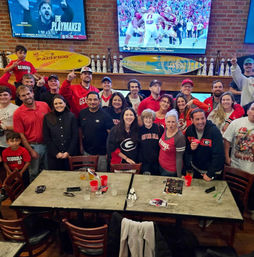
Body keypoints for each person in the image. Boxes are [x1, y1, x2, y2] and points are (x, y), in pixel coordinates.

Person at [13, 85, 51, 182]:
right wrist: (31, 151)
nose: (27, 97)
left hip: (48, 144)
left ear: (33, 93)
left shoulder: (44, 105)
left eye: (28, 93)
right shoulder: (18, 113)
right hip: (34, 146)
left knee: (49, 171)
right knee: (34, 173)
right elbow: (21, 135)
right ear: (20, 97)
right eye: (23, 95)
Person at [223, 103, 254, 219]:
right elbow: (226, 140)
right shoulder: (237, 123)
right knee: (233, 194)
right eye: (252, 109)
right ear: (248, 111)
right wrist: (226, 157)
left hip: (252, 169)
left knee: (251, 195)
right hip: (236, 166)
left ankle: (249, 211)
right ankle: (231, 213)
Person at [184, 109, 225, 181]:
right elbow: (187, 151)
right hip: (196, 169)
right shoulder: (189, 130)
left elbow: (219, 155)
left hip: (212, 172)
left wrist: (210, 174)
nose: (200, 122)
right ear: (192, 120)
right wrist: (191, 148)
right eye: (197, 119)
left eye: (202, 118)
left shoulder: (214, 131)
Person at [79, 92, 114, 171]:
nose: (92, 102)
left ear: (99, 101)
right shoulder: (82, 113)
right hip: (87, 151)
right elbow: (80, 130)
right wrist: (81, 145)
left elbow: (111, 135)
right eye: (90, 99)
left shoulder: (106, 115)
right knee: (88, 175)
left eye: (95, 99)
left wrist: (108, 152)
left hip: (102, 153)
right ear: (86, 101)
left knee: (101, 175)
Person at [43, 95, 78, 170]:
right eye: (56, 104)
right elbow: (47, 137)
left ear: (65, 104)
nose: (58, 105)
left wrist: (68, 152)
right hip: (54, 155)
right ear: (53, 105)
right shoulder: (47, 117)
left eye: (60, 103)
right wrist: (56, 153)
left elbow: (75, 136)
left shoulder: (72, 116)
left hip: (69, 154)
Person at [159, 110, 186, 177]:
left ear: (177, 122)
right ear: (165, 122)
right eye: (168, 122)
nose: (170, 125)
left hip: (170, 170)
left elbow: (179, 158)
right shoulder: (165, 129)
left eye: (173, 122)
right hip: (160, 165)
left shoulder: (180, 137)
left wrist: (179, 175)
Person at [139, 109, 164, 175]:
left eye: (150, 118)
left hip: (157, 161)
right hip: (145, 162)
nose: (148, 120)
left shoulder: (159, 128)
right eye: (146, 118)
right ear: (143, 119)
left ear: (153, 119)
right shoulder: (139, 130)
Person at [0, 87, 19, 161]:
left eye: (5, 95)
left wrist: (6, 127)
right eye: (0, 95)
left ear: (10, 96)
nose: (2, 97)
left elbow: (20, 127)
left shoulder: (16, 109)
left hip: (12, 144)